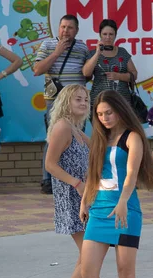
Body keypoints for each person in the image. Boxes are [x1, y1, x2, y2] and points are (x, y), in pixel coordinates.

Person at [80, 90, 153, 278]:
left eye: (109, 113)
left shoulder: (133, 137)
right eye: (100, 114)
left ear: (120, 110)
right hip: (100, 209)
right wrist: (84, 200)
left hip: (126, 210)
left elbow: (131, 174)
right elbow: (93, 173)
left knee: (126, 274)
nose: (104, 118)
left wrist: (124, 201)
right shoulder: (100, 137)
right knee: (88, 272)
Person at [45, 84, 97, 278]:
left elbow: (97, 148)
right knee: (88, 254)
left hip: (83, 197)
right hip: (71, 197)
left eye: (86, 99)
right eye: (78, 99)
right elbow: (50, 164)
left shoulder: (76, 128)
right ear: (66, 101)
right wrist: (77, 183)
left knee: (87, 254)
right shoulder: (62, 127)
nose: (84, 103)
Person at [34, 14, 89, 195]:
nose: (66, 31)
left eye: (70, 28)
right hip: (55, 101)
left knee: (79, 138)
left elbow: (88, 73)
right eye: (63, 27)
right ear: (58, 28)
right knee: (53, 137)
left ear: (77, 30)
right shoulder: (48, 45)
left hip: (78, 101)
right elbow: (37, 70)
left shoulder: (82, 47)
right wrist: (57, 52)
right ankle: (47, 180)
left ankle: (77, 175)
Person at [82, 19, 138, 113]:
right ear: (100, 35)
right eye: (105, 34)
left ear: (115, 35)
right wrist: (97, 53)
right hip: (99, 101)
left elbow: (134, 74)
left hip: (122, 102)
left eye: (111, 34)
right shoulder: (92, 53)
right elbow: (86, 73)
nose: (108, 37)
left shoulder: (122, 52)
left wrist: (119, 76)